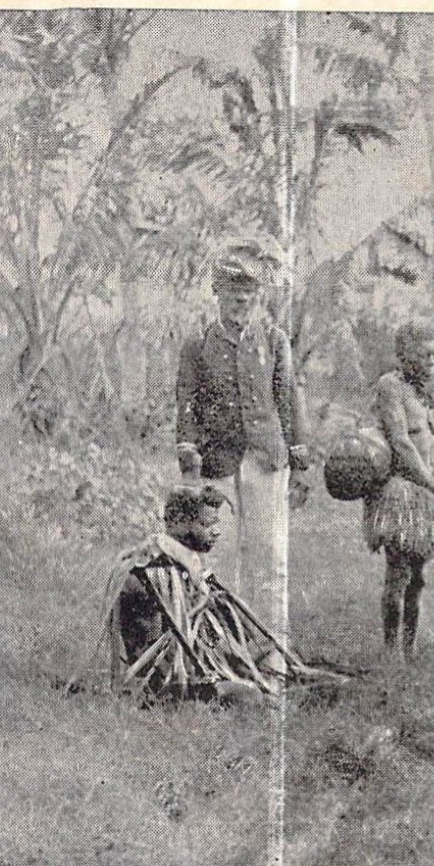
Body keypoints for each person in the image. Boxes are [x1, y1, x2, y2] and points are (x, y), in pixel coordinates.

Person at [175, 244, 310, 674]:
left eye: (249, 291)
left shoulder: (272, 339)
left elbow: (287, 394)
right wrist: (187, 444)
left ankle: (273, 651)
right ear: (217, 292)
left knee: (271, 554)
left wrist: (298, 449)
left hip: (266, 458)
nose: (242, 299)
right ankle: (223, 651)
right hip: (218, 461)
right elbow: (186, 399)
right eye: (233, 291)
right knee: (221, 554)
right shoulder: (198, 342)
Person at [103, 485, 300, 706]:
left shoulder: (183, 568)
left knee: (268, 678)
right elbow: (160, 664)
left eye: (217, 523)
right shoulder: (152, 576)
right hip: (172, 686)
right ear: (176, 521)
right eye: (206, 524)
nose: (216, 531)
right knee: (255, 697)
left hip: (194, 674)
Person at [365, 321, 434, 661]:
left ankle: (410, 647)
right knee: (399, 572)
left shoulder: (422, 391)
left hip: (423, 494)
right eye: (426, 355)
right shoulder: (390, 386)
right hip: (400, 491)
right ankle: (392, 650)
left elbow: (427, 441)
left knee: (418, 577)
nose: (432, 361)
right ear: (405, 354)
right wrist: (433, 481)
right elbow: (402, 442)